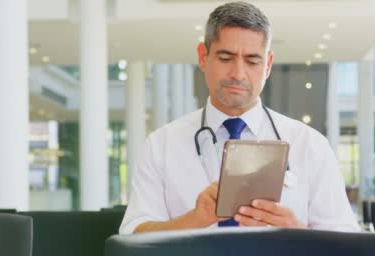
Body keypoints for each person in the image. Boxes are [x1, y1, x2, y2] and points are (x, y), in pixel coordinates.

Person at [120, 1, 360, 234]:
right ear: (203, 56)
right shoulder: (161, 145)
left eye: (253, 61)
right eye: (225, 58)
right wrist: (193, 220)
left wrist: (297, 233)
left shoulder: (310, 144)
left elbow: (346, 241)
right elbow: (132, 237)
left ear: (267, 65)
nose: (238, 74)